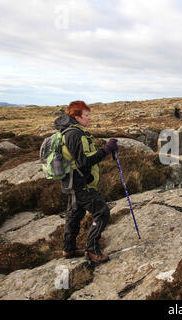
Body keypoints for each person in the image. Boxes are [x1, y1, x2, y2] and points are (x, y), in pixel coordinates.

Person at [54, 100, 118, 263]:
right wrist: (106, 150)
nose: (90, 118)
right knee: (102, 212)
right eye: (87, 115)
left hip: (72, 181)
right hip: (80, 183)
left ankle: (68, 249)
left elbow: (80, 159)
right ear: (77, 116)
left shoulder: (69, 132)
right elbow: (84, 161)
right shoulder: (75, 134)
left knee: (75, 214)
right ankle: (92, 249)